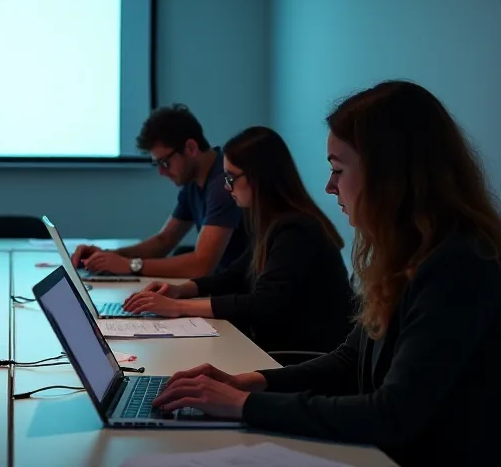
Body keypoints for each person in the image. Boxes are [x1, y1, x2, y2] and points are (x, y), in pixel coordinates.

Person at [152, 81, 501, 466]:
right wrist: (253, 381)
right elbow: (350, 360)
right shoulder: (403, 255)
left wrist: (245, 405)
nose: (329, 186)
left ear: (390, 174)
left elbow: (392, 415)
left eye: (338, 169)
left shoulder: (458, 266)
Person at [123, 126, 353, 354]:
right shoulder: (272, 223)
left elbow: (262, 303)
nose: (226, 186)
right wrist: (179, 291)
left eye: (231, 178)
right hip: (280, 350)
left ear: (257, 177)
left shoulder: (296, 230)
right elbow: (234, 277)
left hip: (303, 358)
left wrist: (178, 307)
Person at [71, 104, 249, 278]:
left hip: (245, 294)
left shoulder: (222, 183)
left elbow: (201, 265)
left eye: (165, 163)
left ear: (191, 148)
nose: (162, 172)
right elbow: (164, 240)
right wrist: (108, 256)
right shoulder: (194, 182)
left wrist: (130, 265)